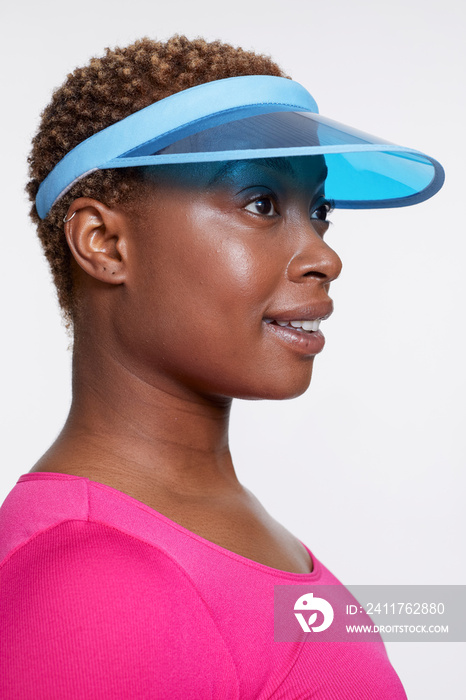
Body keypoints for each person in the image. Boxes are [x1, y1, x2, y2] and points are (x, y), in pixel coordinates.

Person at [0, 36, 444, 699]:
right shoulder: (94, 586)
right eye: (261, 203)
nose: (324, 255)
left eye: (318, 212)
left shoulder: (209, 525)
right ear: (104, 243)